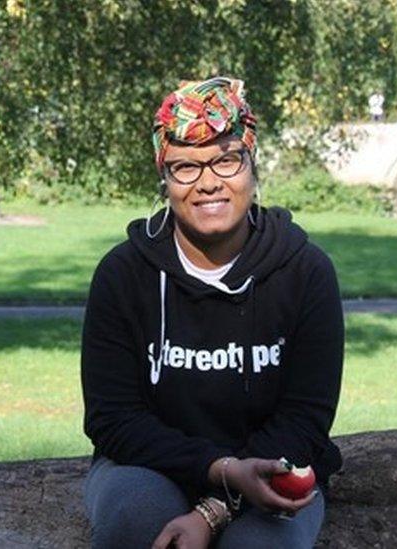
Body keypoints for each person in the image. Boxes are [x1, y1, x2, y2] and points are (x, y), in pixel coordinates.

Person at [80, 77, 344, 549]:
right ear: (164, 180)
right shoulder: (124, 275)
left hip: (273, 465)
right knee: (138, 524)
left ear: (251, 165)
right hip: (146, 465)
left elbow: (305, 419)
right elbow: (113, 418)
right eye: (185, 167)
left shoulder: (306, 273)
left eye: (226, 159)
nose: (207, 182)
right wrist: (220, 470)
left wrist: (213, 510)